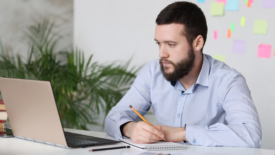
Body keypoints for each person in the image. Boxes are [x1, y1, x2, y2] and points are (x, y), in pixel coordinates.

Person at [104, 1, 261, 148]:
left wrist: (182, 133)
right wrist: (129, 128)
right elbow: (113, 118)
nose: (162, 53)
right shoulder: (153, 72)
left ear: (197, 43)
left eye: (171, 44)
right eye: (159, 43)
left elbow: (251, 135)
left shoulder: (228, 81)